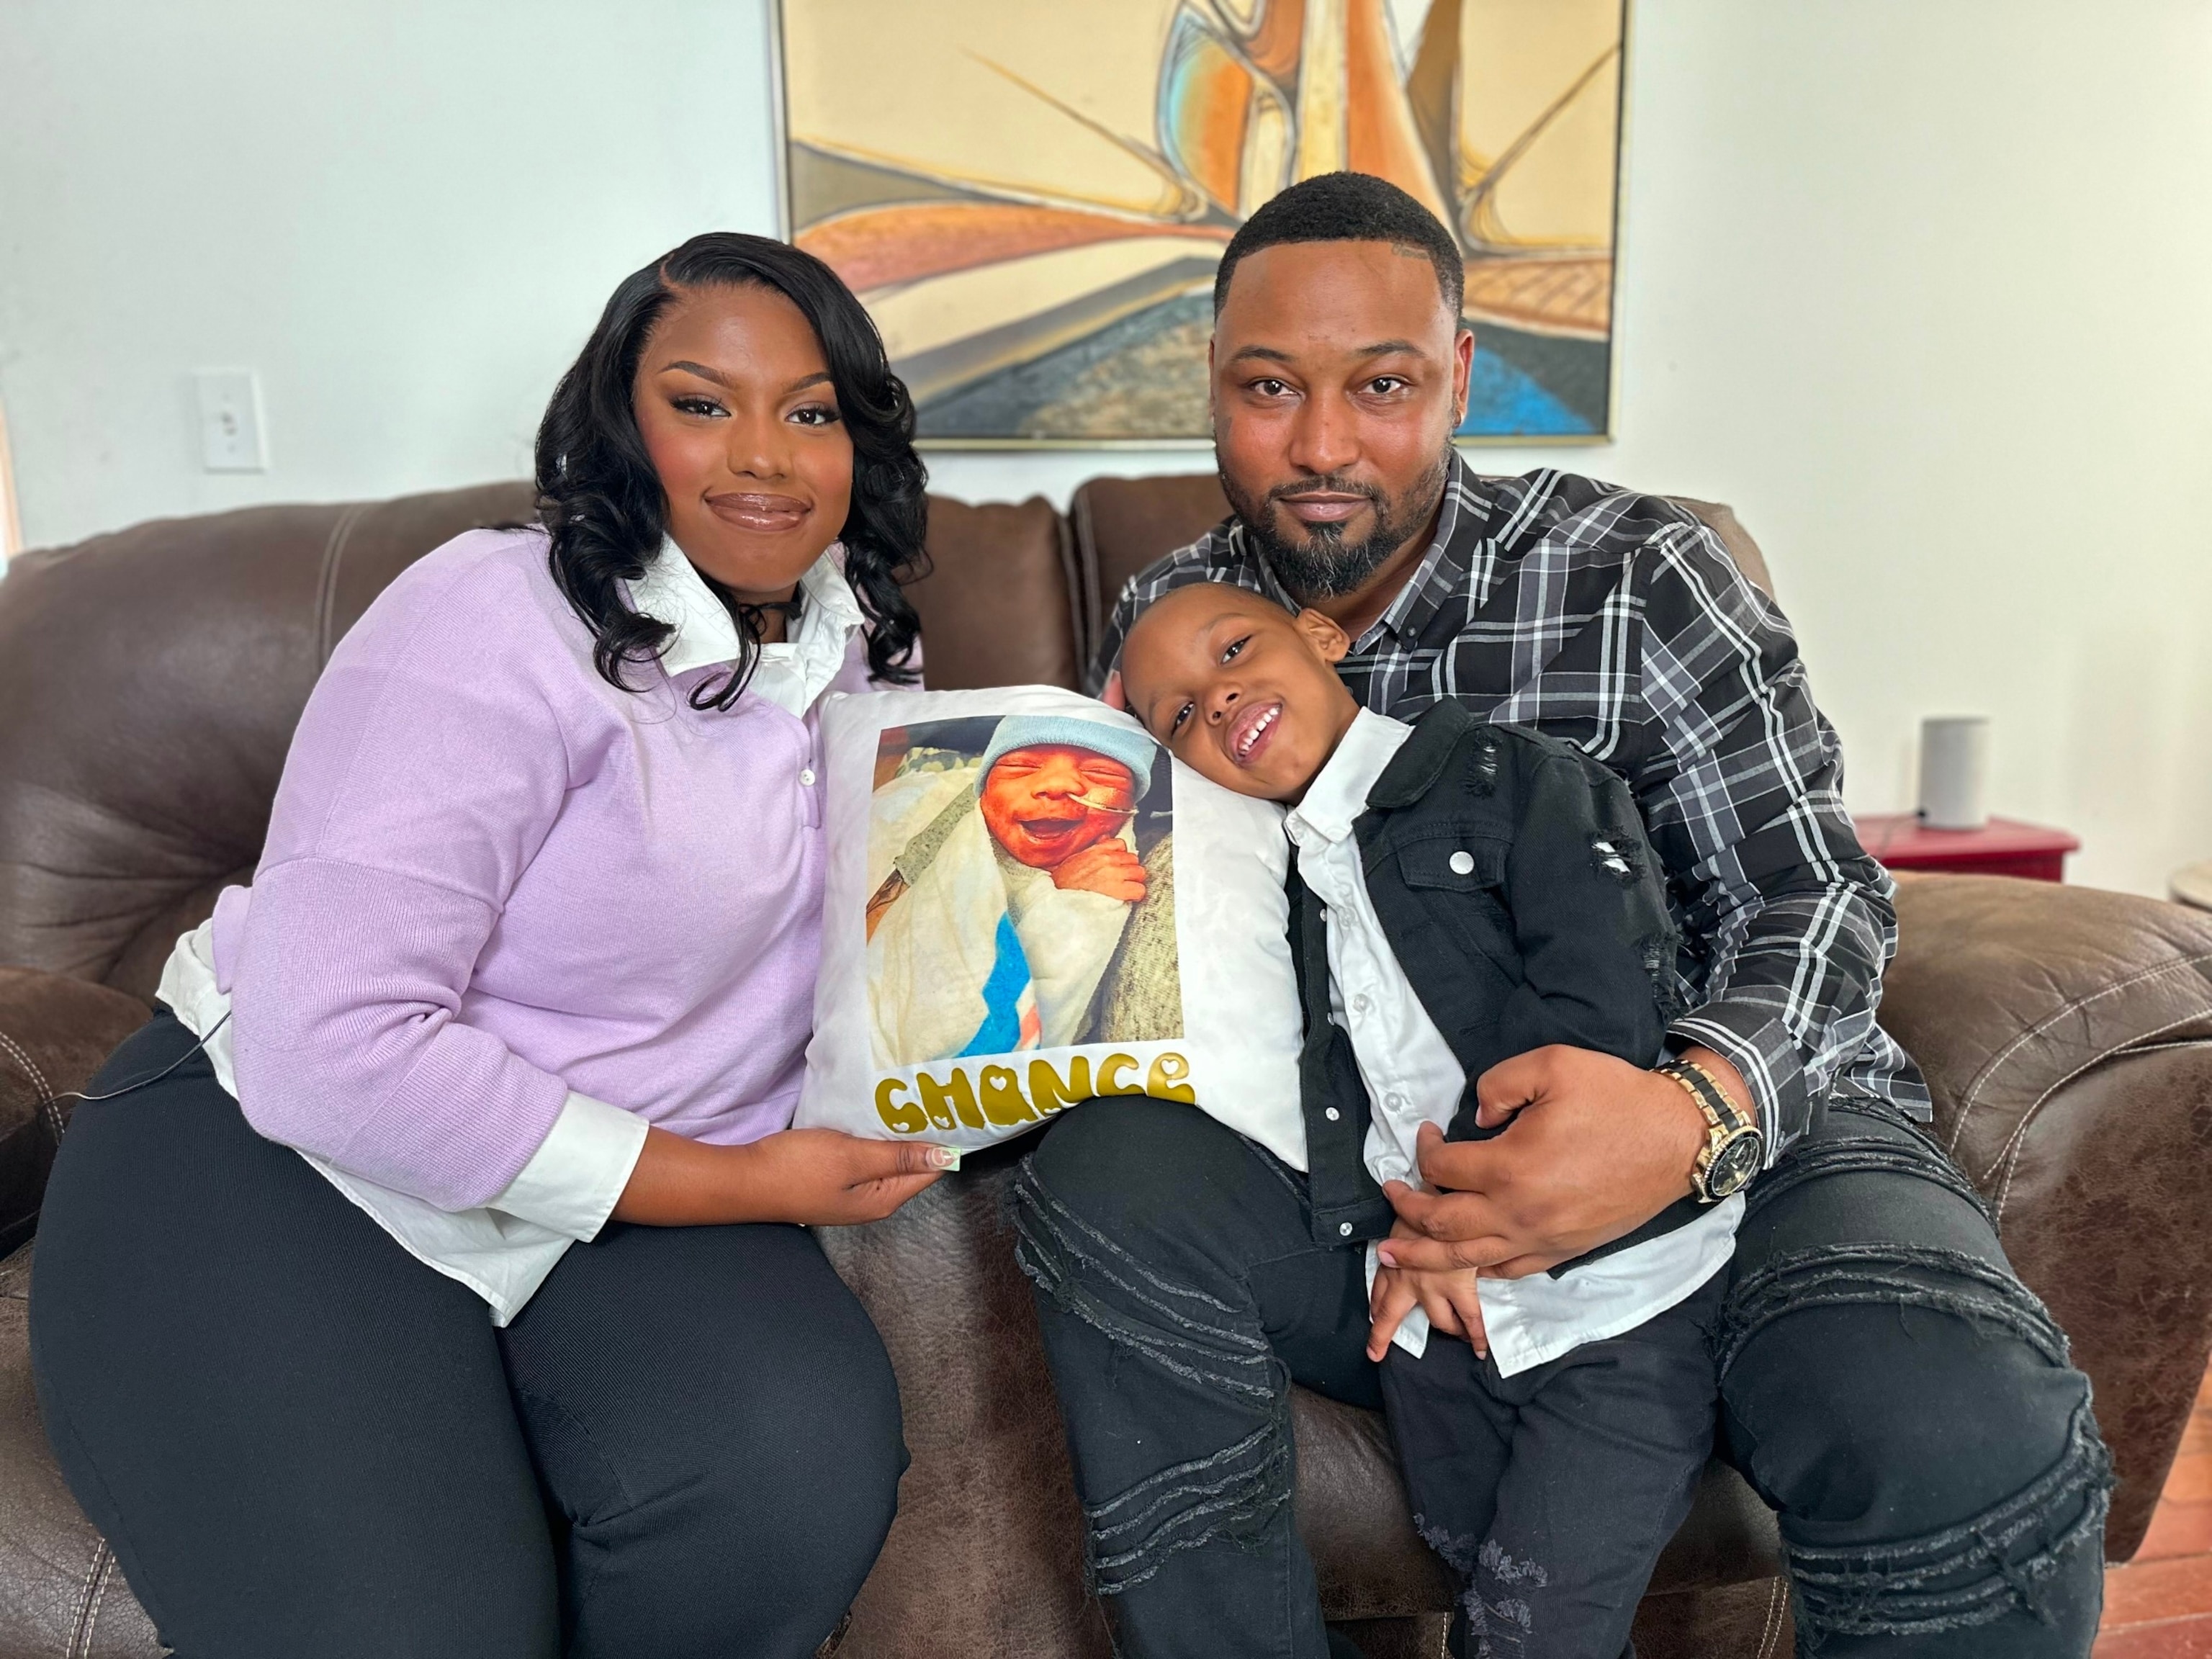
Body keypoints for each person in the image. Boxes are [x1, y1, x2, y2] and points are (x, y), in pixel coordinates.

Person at [1013, 172, 2109, 1658]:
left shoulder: (1633, 575)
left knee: (1948, 1412)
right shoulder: (1170, 614)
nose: (1321, 444)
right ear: (1211, 382)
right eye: (1269, 387)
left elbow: (1812, 888)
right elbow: (1147, 944)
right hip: (1367, 1162)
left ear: (1459, 376)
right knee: (1106, 1171)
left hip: (1736, 1130)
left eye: (1382, 385)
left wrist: (1688, 1112)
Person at [30, 233, 957, 1659]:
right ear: (621, 428)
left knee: (788, 1483)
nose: (765, 456)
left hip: (632, 1193)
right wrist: (737, 1180)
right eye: (703, 403)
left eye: (813, 410)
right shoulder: (491, 612)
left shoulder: (867, 652)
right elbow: (323, 1045)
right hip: (285, 1159)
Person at [1120, 580, 1748, 1658]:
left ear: (1322, 638)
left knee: (1530, 1629)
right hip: (1430, 1325)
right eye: (1179, 714)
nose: (1217, 702)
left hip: (1619, 1296)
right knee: (1475, 1584)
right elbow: (1315, 1089)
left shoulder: (1515, 779)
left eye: (1234, 651)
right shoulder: (1259, 880)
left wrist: (1458, 1213)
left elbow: (1600, 1005)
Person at [867, 716, 1160, 1063]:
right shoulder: (956, 840)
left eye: (1100, 774)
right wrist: (1051, 894)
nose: (1055, 785)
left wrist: (1064, 909)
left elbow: (1049, 1012)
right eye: (1021, 767)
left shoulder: (1114, 865)